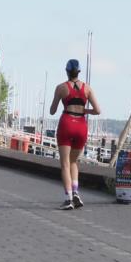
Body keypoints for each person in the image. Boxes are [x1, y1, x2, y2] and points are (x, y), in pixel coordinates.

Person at [49, 59, 101, 210]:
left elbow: (52, 110)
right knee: (73, 162)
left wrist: (60, 101)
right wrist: (85, 110)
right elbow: (98, 110)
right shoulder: (87, 89)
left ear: (66, 71)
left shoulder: (61, 88)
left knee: (65, 163)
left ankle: (68, 199)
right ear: (78, 72)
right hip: (81, 126)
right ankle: (76, 193)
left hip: (66, 124)